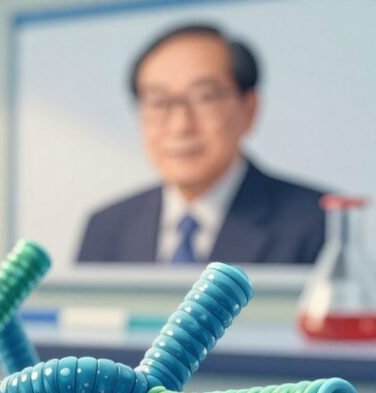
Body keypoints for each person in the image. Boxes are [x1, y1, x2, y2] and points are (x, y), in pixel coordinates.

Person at [77, 24, 325, 264]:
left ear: (249, 109)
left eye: (204, 98)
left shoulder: (316, 223)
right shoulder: (106, 228)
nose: (180, 125)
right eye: (158, 102)